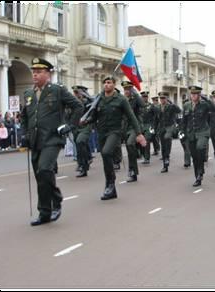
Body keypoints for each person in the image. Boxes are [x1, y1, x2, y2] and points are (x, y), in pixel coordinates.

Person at [21, 57, 83, 226]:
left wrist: (69, 126)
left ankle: (55, 201)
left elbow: (78, 107)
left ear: (48, 74)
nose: (35, 74)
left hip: (52, 139)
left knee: (45, 169)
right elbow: (24, 117)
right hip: (35, 141)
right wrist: (24, 134)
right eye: (33, 71)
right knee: (40, 176)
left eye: (39, 71)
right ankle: (45, 212)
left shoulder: (57, 90)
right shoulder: (28, 94)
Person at [82, 76, 146, 200]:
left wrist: (139, 133)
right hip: (102, 133)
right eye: (104, 83)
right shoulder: (99, 98)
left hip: (115, 132)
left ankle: (110, 184)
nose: (106, 85)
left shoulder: (121, 99)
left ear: (114, 84)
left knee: (106, 152)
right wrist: (87, 120)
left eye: (109, 82)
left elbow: (132, 116)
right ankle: (110, 188)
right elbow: (94, 116)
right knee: (105, 156)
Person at [181, 85, 215, 187]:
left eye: (195, 94)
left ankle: (200, 171)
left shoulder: (204, 104)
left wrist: (207, 99)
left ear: (199, 95)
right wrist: (182, 131)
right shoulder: (186, 105)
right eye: (192, 94)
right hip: (191, 133)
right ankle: (198, 175)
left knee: (200, 147)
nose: (193, 96)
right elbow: (184, 120)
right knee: (194, 155)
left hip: (203, 132)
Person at [121, 81, 145, 182]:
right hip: (125, 127)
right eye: (125, 89)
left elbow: (142, 104)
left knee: (130, 144)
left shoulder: (135, 99)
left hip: (135, 127)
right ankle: (133, 170)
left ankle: (133, 171)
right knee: (129, 147)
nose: (126, 91)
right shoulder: (122, 100)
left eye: (128, 89)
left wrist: (135, 93)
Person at [155, 91, 181, 173]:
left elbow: (179, 110)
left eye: (164, 98)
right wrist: (154, 129)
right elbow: (156, 119)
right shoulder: (158, 107)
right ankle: (165, 163)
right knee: (163, 145)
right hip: (161, 128)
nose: (162, 100)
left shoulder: (171, 106)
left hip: (170, 127)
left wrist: (172, 103)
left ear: (167, 98)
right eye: (161, 98)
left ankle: (167, 157)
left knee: (167, 139)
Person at [72, 85, 93, 177]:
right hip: (76, 127)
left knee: (80, 141)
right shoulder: (72, 102)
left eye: (78, 92)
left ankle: (83, 165)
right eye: (75, 92)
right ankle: (83, 163)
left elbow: (93, 111)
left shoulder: (87, 102)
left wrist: (87, 120)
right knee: (78, 144)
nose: (76, 94)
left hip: (85, 126)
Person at [140, 91, 159, 164]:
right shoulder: (138, 105)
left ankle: (147, 158)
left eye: (145, 97)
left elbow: (157, 115)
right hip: (141, 125)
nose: (144, 98)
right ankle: (143, 155)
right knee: (141, 142)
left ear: (147, 97)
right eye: (143, 97)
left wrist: (154, 125)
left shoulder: (151, 106)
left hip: (149, 125)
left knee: (147, 141)